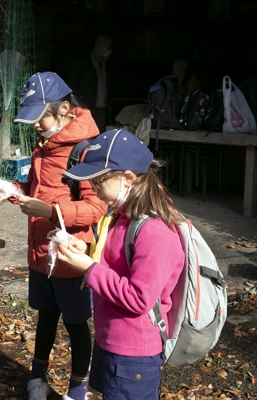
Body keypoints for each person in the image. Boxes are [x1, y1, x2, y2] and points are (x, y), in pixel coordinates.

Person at [0, 72, 107, 400]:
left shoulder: (86, 150)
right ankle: (38, 377)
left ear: (65, 110)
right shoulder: (43, 144)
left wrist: (50, 212)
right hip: (40, 252)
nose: (35, 126)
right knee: (45, 316)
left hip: (70, 254)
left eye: (39, 118)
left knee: (75, 324)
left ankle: (77, 388)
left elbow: (95, 208)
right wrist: (13, 192)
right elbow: (36, 191)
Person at [57, 129, 186, 399]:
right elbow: (116, 263)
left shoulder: (155, 230)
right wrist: (88, 252)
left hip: (133, 355)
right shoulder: (122, 215)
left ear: (127, 178)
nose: (92, 189)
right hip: (111, 341)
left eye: (98, 181)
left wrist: (88, 268)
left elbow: (139, 298)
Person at [67, 34, 113, 132]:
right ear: (100, 46)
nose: (109, 51)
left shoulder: (106, 63)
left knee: (100, 138)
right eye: (108, 48)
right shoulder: (83, 62)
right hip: (85, 109)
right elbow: (71, 85)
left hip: (101, 110)